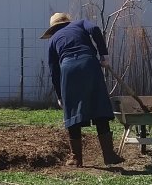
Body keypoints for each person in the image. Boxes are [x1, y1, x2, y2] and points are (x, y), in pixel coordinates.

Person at [40, 12, 124, 167]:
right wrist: (104, 55)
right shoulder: (80, 24)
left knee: (72, 111)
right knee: (99, 106)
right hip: (89, 64)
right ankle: (109, 155)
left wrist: (60, 96)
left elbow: (54, 71)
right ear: (67, 21)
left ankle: (76, 158)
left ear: (53, 28)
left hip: (68, 69)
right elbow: (95, 29)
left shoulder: (52, 40)